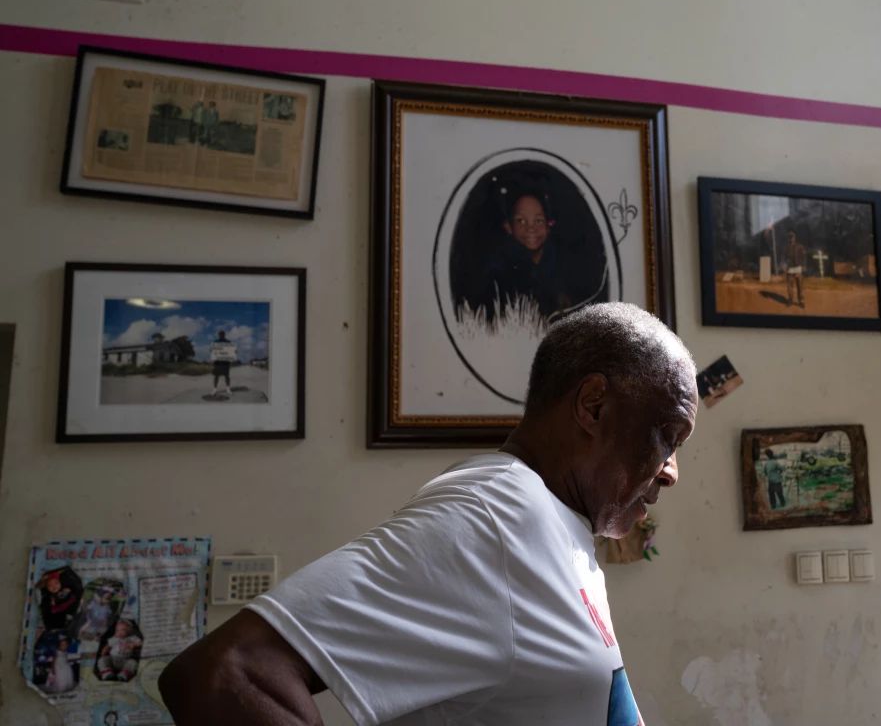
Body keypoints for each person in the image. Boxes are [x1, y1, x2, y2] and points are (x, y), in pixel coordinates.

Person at [159, 303, 698, 725]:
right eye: (667, 436)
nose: (671, 471)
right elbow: (227, 673)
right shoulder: (496, 517)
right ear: (593, 405)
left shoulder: (554, 522)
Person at [478, 192, 574, 323]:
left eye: (539, 221)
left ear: (549, 226)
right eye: (521, 221)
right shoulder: (499, 273)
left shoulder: (559, 260)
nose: (531, 228)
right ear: (508, 227)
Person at [784, 232, 806, 307]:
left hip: (798, 268)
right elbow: (784, 257)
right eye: (789, 237)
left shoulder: (799, 246)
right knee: (789, 286)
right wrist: (784, 265)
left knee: (800, 286)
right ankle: (790, 300)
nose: (791, 238)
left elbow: (804, 256)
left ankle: (801, 301)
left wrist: (803, 266)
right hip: (790, 269)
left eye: (792, 237)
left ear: (795, 237)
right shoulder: (786, 247)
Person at [210, 331, 233, 398]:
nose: (221, 335)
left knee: (227, 376)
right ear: (218, 335)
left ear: (224, 334)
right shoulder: (215, 342)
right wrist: (212, 350)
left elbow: (232, 351)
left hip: (225, 362)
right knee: (216, 376)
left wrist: (233, 352)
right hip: (217, 362)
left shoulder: (228, 342)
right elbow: (212, 351)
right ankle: (214, 389)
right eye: (220, 334)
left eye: (222, 334)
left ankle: (228, 389)